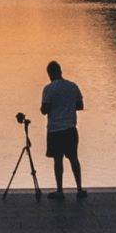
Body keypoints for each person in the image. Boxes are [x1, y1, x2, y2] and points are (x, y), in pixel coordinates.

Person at [38, 59, 86, 199]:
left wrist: (46, 107)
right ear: (60, 71)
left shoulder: (48, 88)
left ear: (50, 74)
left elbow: (44, 110)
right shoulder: (72, 86)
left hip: (55, 130)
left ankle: (60, 191)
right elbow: (80, 105)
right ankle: (79, 189)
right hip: (70, 129)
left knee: (58, 160)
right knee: (74, 159)